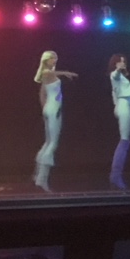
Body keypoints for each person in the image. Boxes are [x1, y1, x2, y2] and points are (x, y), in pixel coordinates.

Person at [33, 50, 78, 192]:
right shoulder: (47, 73)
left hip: (50, 109)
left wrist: (45, 110)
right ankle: (42, 179)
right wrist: (66, 73)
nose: (55, 60)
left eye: (56, 58)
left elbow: (42, 94)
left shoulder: (47, 74)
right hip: (53, 110)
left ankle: (38, 175)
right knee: (52, 143)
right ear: (46, 60)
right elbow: (50, 75)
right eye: (52, 58)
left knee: (48, 142)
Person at [108, 54, 130, 189]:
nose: (123, 63)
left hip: (124, 105)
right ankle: (116, 176)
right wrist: (118, 69)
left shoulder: (122, 77)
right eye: (120, 62)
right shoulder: (114, 74)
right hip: (123, 105)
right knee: (124, 141)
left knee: (125, 141)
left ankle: (116, 175)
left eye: (124, 61)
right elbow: (115, 75)